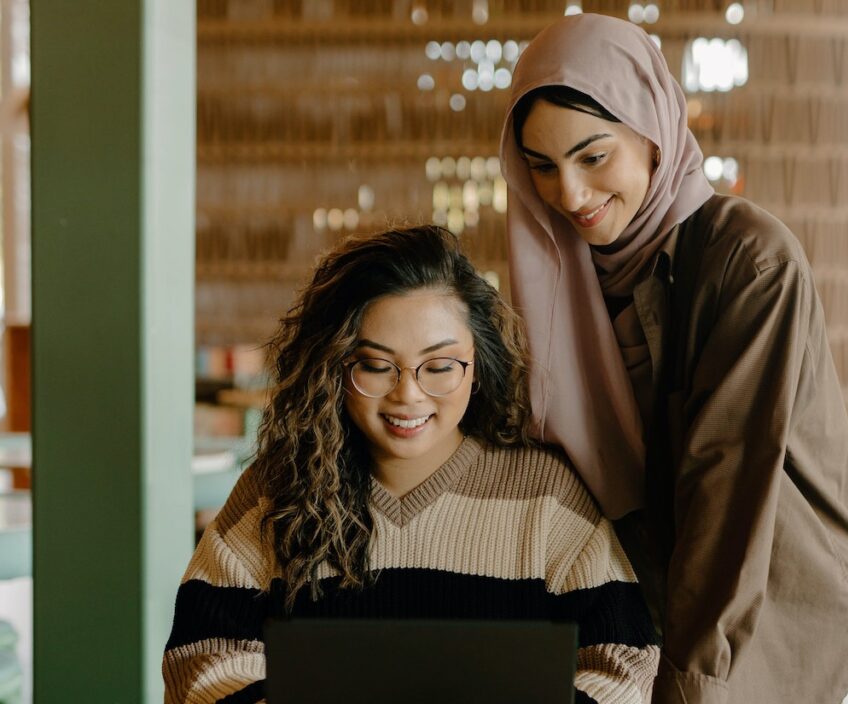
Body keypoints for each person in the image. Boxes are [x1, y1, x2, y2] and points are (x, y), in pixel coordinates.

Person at [498, 13, 848, 704]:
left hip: (789, 631)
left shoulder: (749, 262)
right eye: (542, 168)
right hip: (651, 628)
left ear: (653, 132)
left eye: (593, 156)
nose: (570, 195)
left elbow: (726, 490)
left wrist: (686, 687)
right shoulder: (556, 279)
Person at [162, 225, 659, 703]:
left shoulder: (545, 495)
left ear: (478, 368)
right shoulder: (277, 490)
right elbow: (202, 655)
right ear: (333, 369)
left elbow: (624, 659)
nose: (408, 395)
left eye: (440, 367)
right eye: (376, 366)